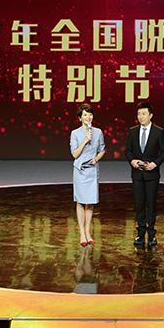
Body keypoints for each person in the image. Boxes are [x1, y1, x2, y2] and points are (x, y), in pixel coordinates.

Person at [125, 101, 164, 246]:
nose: (141, 116)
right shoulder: (133, 131)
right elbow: (128, 150)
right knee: (139, 204)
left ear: (151, 115)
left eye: (144, 114)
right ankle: (140, 234)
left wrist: (155, 164)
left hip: (151, 175)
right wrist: (132, 161)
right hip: (137, 174)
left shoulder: (158, 132)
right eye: (138, 114)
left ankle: (151, 234)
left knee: (151, 204)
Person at [70, 103, 105, 247]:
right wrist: (85, 140)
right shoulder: (75, 133)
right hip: (80, 171)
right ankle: (81, 233)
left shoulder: (98, 132)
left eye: (90, 114)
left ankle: (88, 231)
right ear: (80, 118)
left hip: (92, 170)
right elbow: (74, 154)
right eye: (85, 114)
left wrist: (96, 159)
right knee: (80, 201)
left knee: (90, 202)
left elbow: (102, 150)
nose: (88, 117)